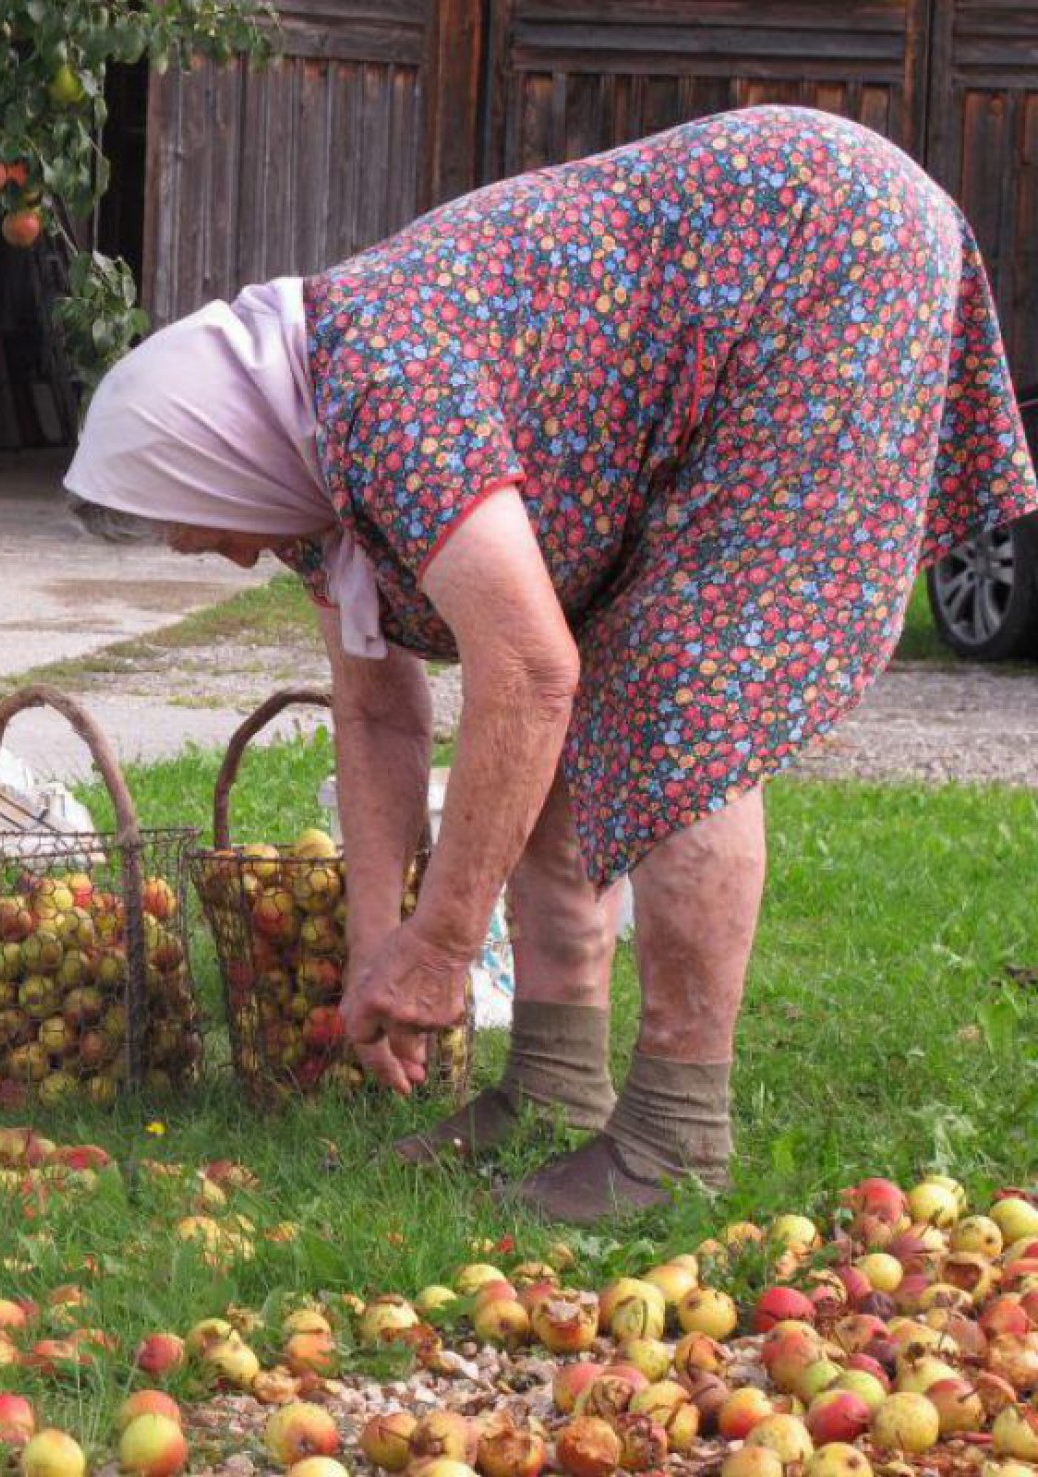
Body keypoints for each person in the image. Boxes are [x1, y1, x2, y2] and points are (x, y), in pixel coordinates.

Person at [64, 107, 1038, 1223]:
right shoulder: (298, 455)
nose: (227, 551)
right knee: (578, 696)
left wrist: (440, 943)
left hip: (819, 255)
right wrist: (373, 942)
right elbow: (379, 709)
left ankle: (675, 1133)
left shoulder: (377, 387)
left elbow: (526, 673)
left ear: (210, 447)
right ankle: (552, 1086)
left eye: (200, 527)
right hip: (741, 305)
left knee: (682, 693)